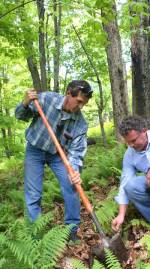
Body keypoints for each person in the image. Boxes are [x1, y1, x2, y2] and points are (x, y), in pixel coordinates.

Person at [15, 80, 93, 242]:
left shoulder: (80, 123)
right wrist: (25, 102)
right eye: (79, 101)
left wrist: (75, 171)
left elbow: (77, 152)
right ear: (68, 94)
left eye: (84, 104)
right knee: (33, 193)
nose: (81, 107)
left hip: (58, 155)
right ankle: (36, 237)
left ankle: (71, 232)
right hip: (35, 150)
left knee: (72, 186)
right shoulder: (45, 99)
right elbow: (20, 116)